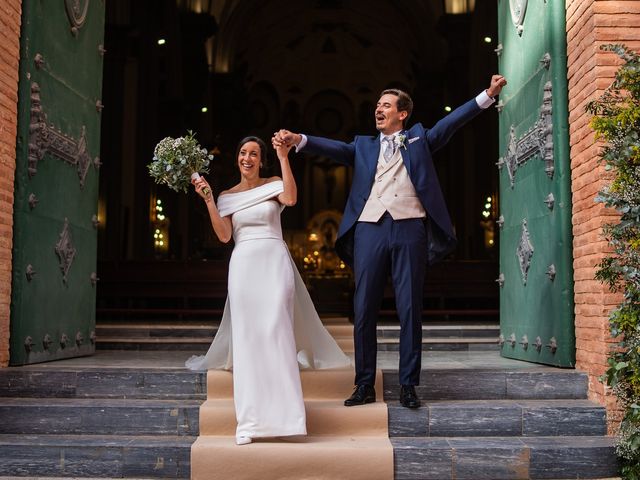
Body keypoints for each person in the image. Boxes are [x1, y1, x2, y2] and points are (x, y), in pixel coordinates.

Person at [272, 75, 507, 409]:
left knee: (409, 309)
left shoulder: (420, 139)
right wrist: (299, 140)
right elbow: (336, 149)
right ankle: (364, 383)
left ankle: (409, 385)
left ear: (402, 114)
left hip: (410, 228)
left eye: (385, 105)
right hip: (369, 229)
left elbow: (451, 123)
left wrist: (487, 95)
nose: (378, 110)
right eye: (377, 105)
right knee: (364, 308)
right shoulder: (364, 146)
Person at [185, 136, 351, 445]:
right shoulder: (226, 196)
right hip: (244, 266)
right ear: (238, 158)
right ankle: (249, 423)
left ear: (262, 160)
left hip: (274, 262)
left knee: (277, 332)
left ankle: (289, 418)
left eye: (254, 154)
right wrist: (208, 199)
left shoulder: (274, 182)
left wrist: (284, 156)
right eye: (243, 152)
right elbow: (224, 236)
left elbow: (290, 198)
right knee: (248, 340)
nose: (247, 157)